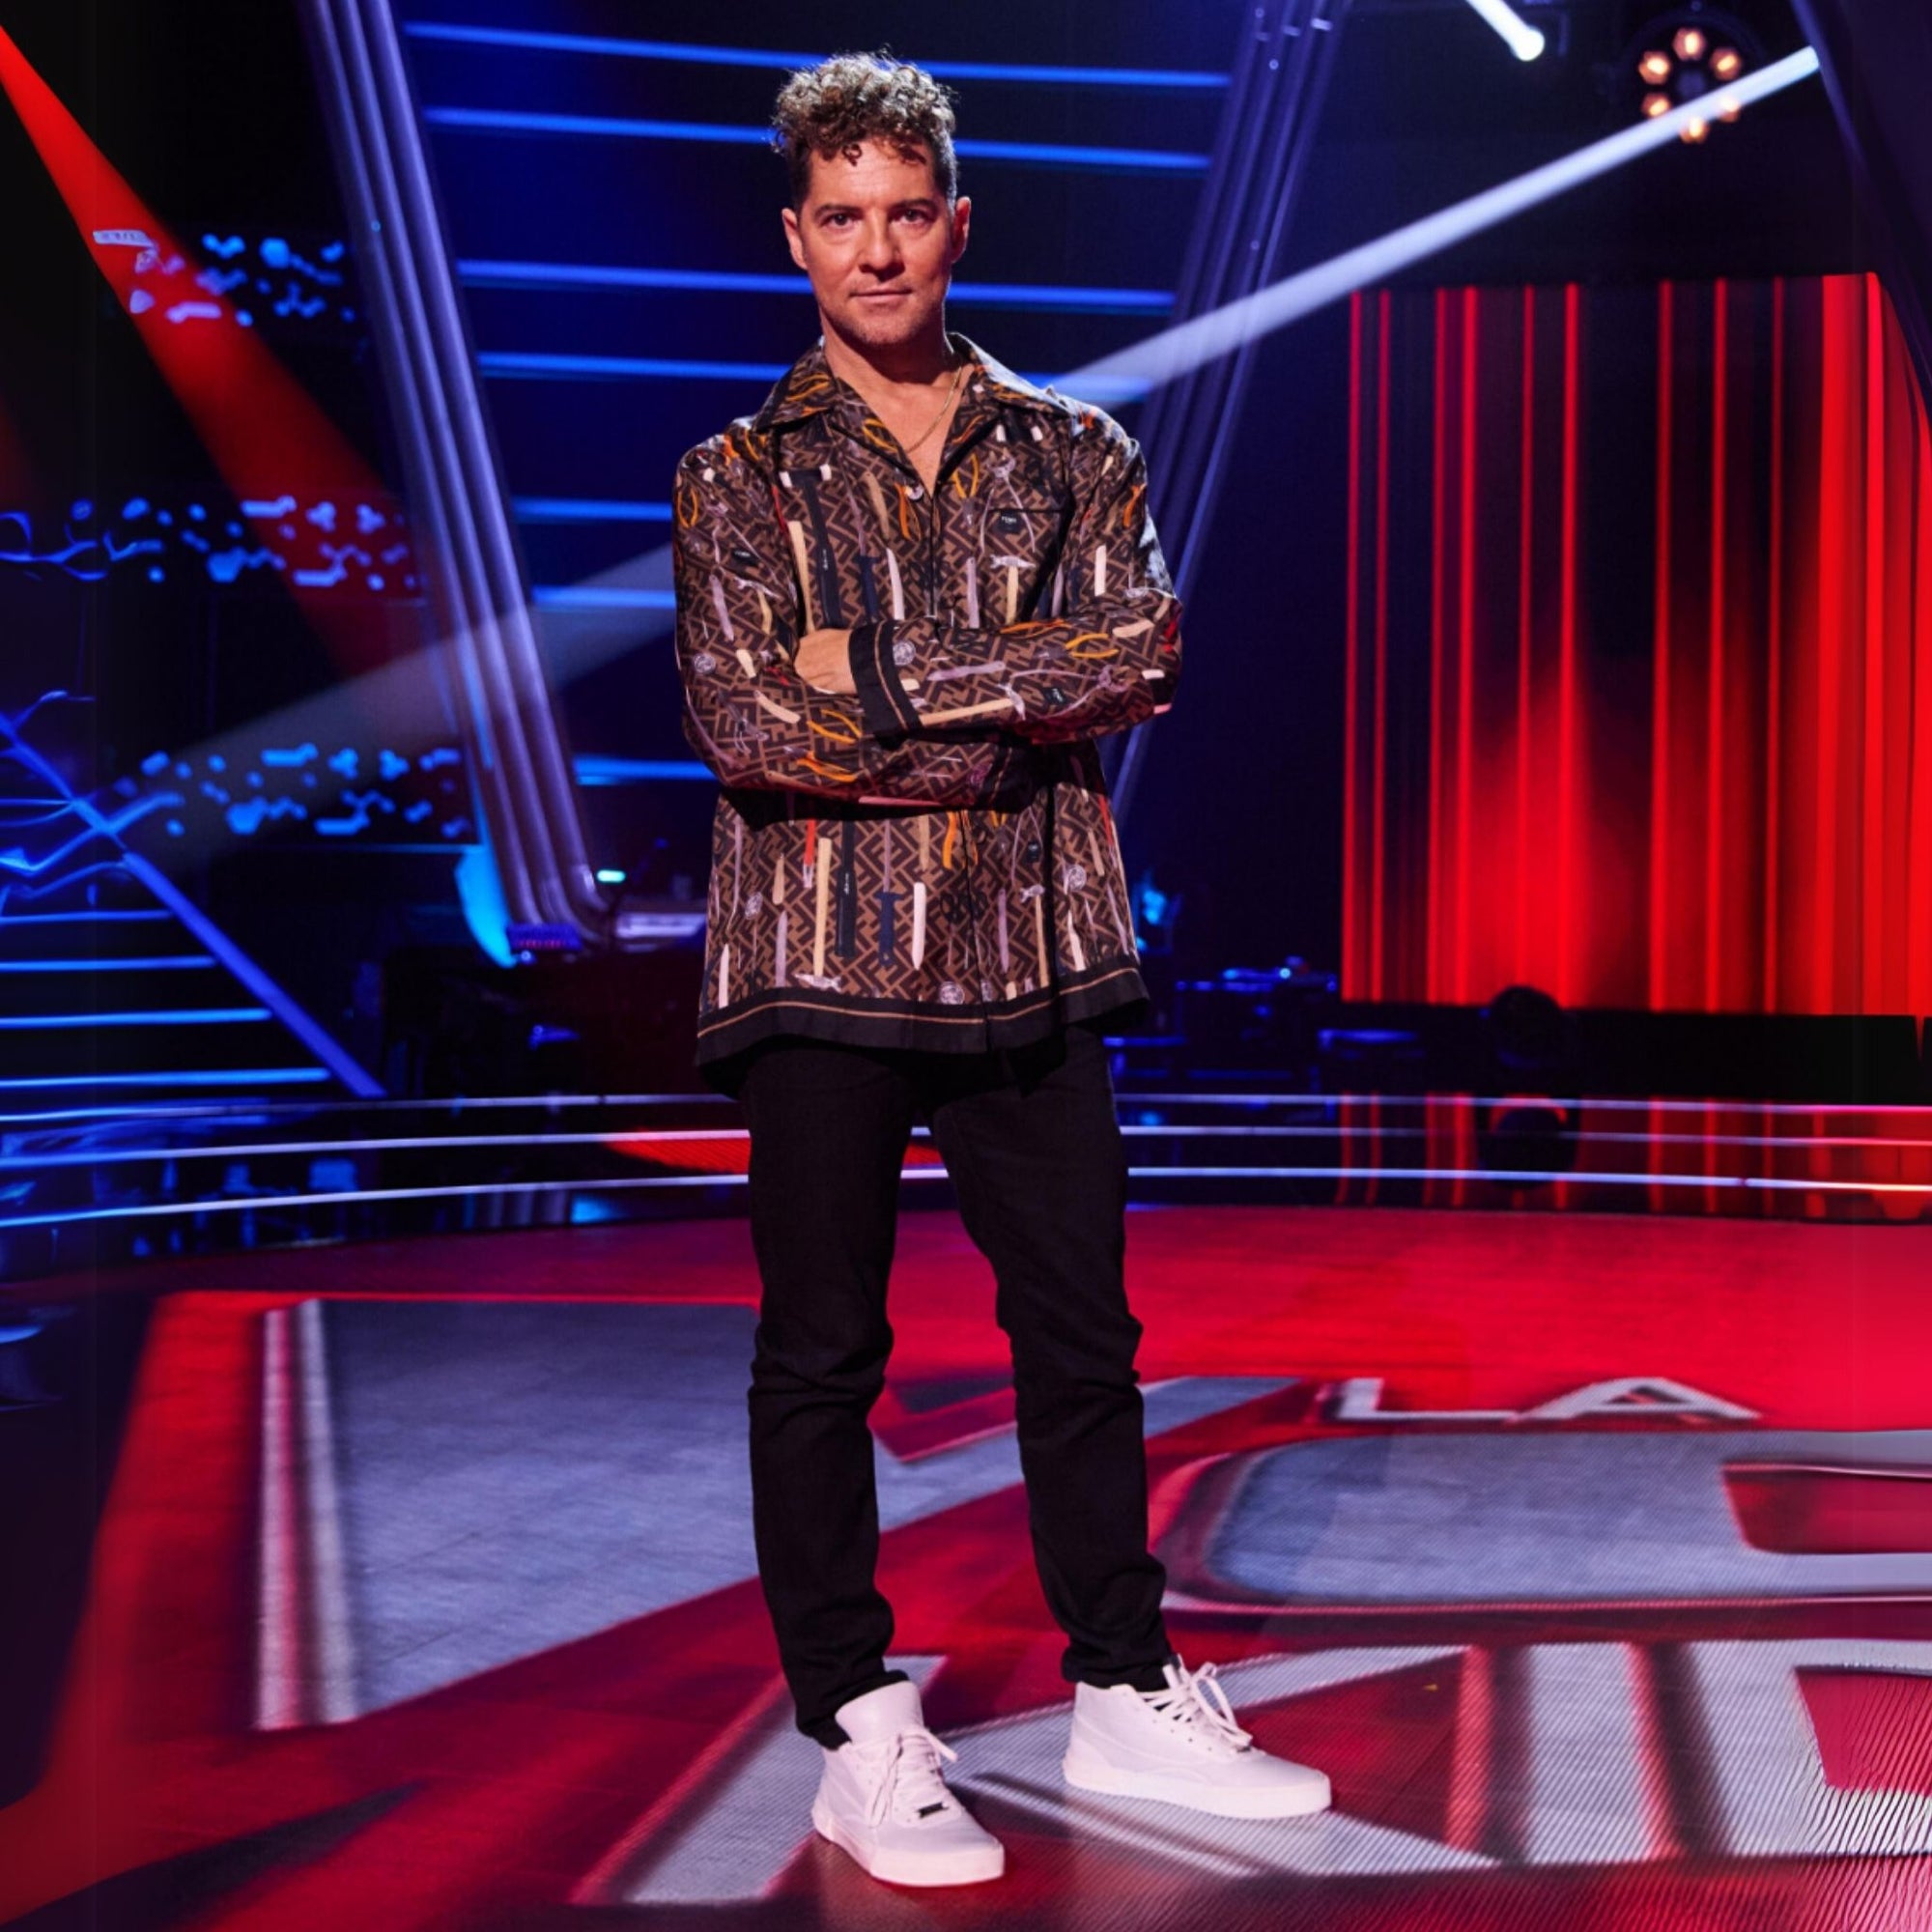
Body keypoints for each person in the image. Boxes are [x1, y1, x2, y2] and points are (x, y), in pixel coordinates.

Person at [670, 51, 1330, 1889]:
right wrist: (1008, 706)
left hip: (1036, 955)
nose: (878, 251)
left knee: (1085, 1340)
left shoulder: (1076, 450)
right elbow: (746, 725)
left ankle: (1122, 1684)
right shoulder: (734, 474)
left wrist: (875, 676)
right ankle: (855, 1728)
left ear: (958, 223)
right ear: (796, 237)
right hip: (816, 964)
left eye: (908, 214)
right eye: (843, 218)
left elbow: (1141, 655)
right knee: (823, 1354)